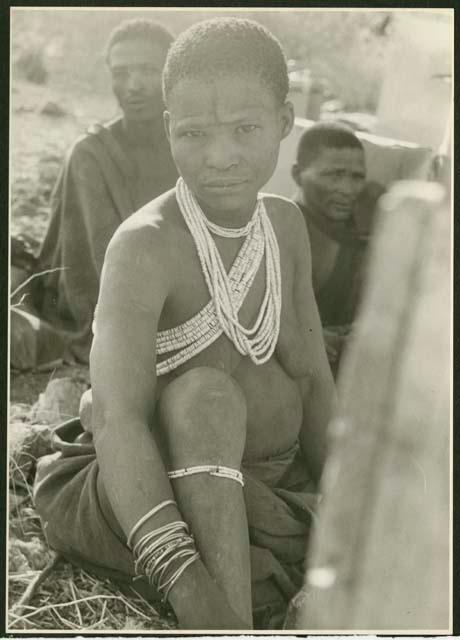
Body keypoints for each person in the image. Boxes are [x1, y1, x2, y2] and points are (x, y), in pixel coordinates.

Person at [34, 18, 335, 630]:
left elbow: (310, 378)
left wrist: (340, 514)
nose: (220, 157)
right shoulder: (144, 246)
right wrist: (185, 578)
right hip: (155, 495)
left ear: (284, 121)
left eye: (246, 129)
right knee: (204, 394)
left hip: (269, 490)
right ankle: (224, 621)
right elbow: (118, 420)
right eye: (195, 132)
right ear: (170, 128)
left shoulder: (286, 227)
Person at [35, 19, 178, 363]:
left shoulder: (190, 145)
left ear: (173, 74)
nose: (133, 85)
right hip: (109, 302)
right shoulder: (92, 154)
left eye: (147, 70)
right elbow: (98, 263)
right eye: (120, 72)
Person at [291, 123, 385, 374]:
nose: (347, 190)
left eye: (357, 177)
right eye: (333, 175)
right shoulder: (281, 228)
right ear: (298, 175)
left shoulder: (364, 226)